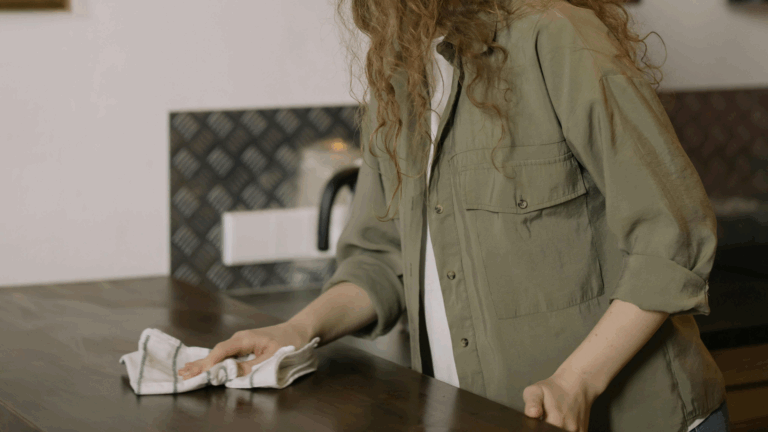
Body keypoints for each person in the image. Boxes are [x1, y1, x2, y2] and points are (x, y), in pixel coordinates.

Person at [179, 0, 732, 430]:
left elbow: (673, 235)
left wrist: (576, 382)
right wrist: (296, 330)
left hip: (637, 420)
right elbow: (382, 258)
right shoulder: (399, 77)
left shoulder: (556, 36)